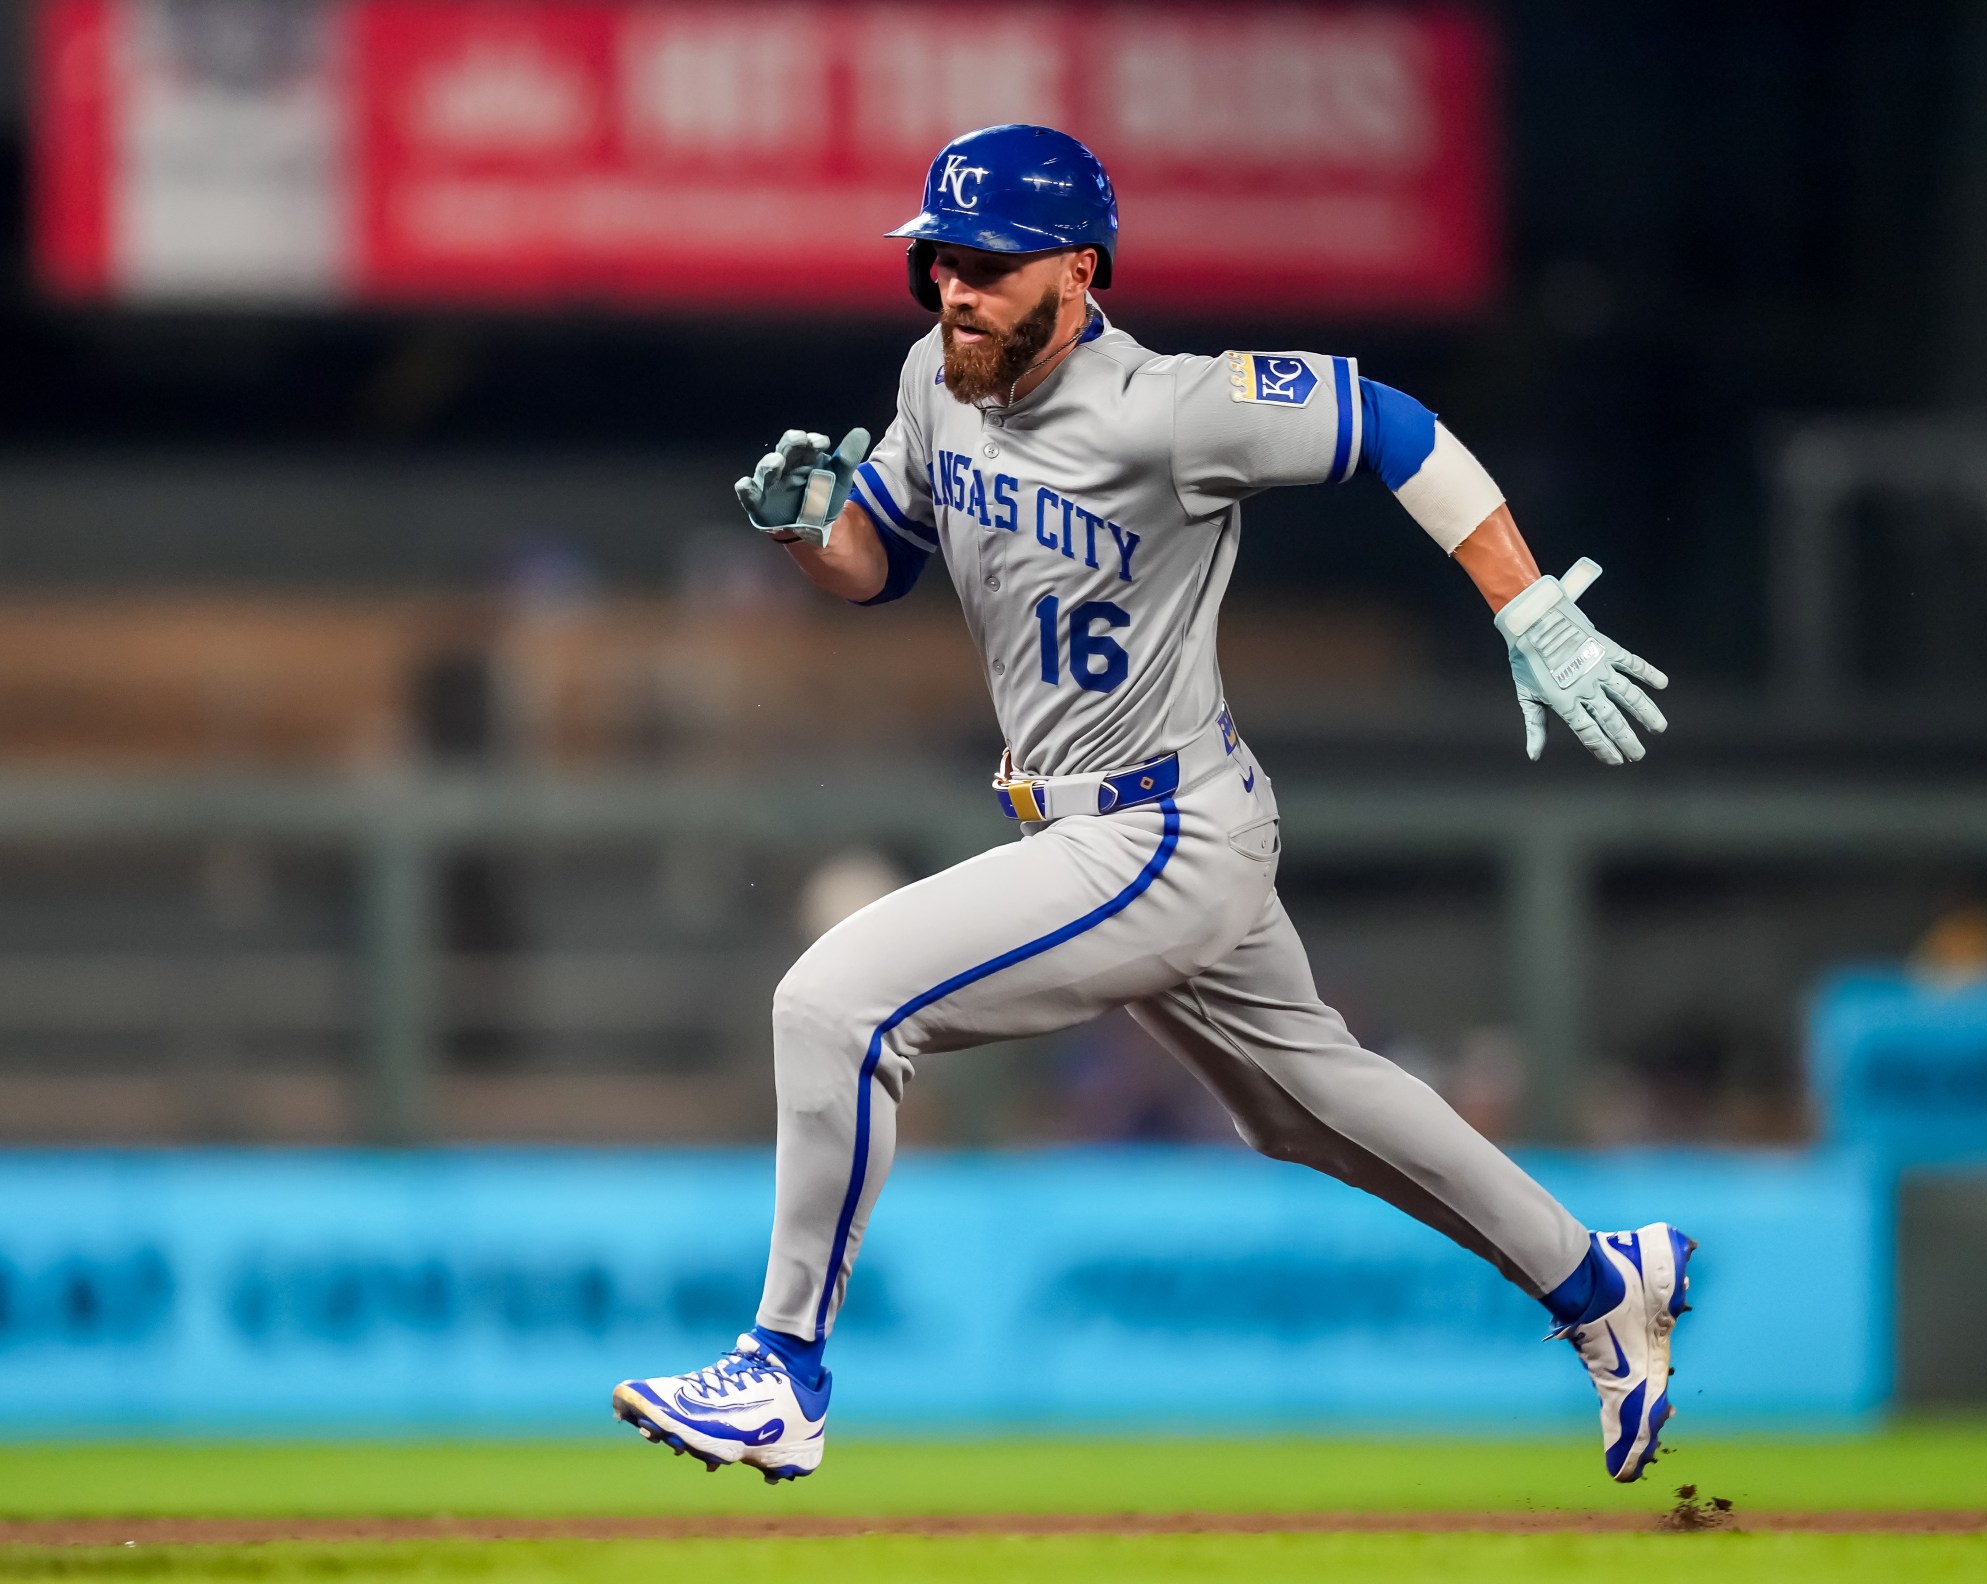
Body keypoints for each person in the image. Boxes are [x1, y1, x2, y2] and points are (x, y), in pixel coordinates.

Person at [611, 125, 1693, 1486]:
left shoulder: (1175, 408)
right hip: (1090, 825)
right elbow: (878, 561)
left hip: (1163, 825)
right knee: (1301, 1108)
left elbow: (1395, 427)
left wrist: (1523, 599)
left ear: (1078, 269)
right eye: (941, 258)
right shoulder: (933, 384)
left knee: (832, 1005)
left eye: (992, 265)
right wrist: (806, 530)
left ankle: (781, 1372)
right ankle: (1599, 1287)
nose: (955, 287)